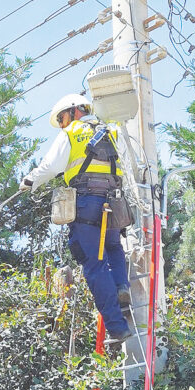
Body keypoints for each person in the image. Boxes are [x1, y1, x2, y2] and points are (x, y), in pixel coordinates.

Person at [19, 94, 132, 342]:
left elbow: (50, 167)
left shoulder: (72, 132)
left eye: (61, 118)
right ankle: (121, 287)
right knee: (113, 245)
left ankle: (116, 327)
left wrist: (30, 181)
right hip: (114, 201)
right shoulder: (113, 131)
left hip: (87, 202)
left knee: (93, 263)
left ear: (73, 112)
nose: (62, 124)